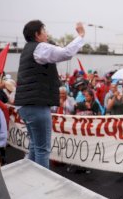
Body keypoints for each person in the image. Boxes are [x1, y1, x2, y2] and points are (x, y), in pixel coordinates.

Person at [15, 20, 85, 168]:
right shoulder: (40, 48)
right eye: (44, 31)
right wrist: (81, 35)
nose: (47, 34)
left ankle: (32, 178)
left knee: (34, 146)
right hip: (37, 106)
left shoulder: (27, 49)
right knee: (43, 149)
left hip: (25, 105)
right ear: (37, 34)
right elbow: (66, 53)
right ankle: (42, 185)